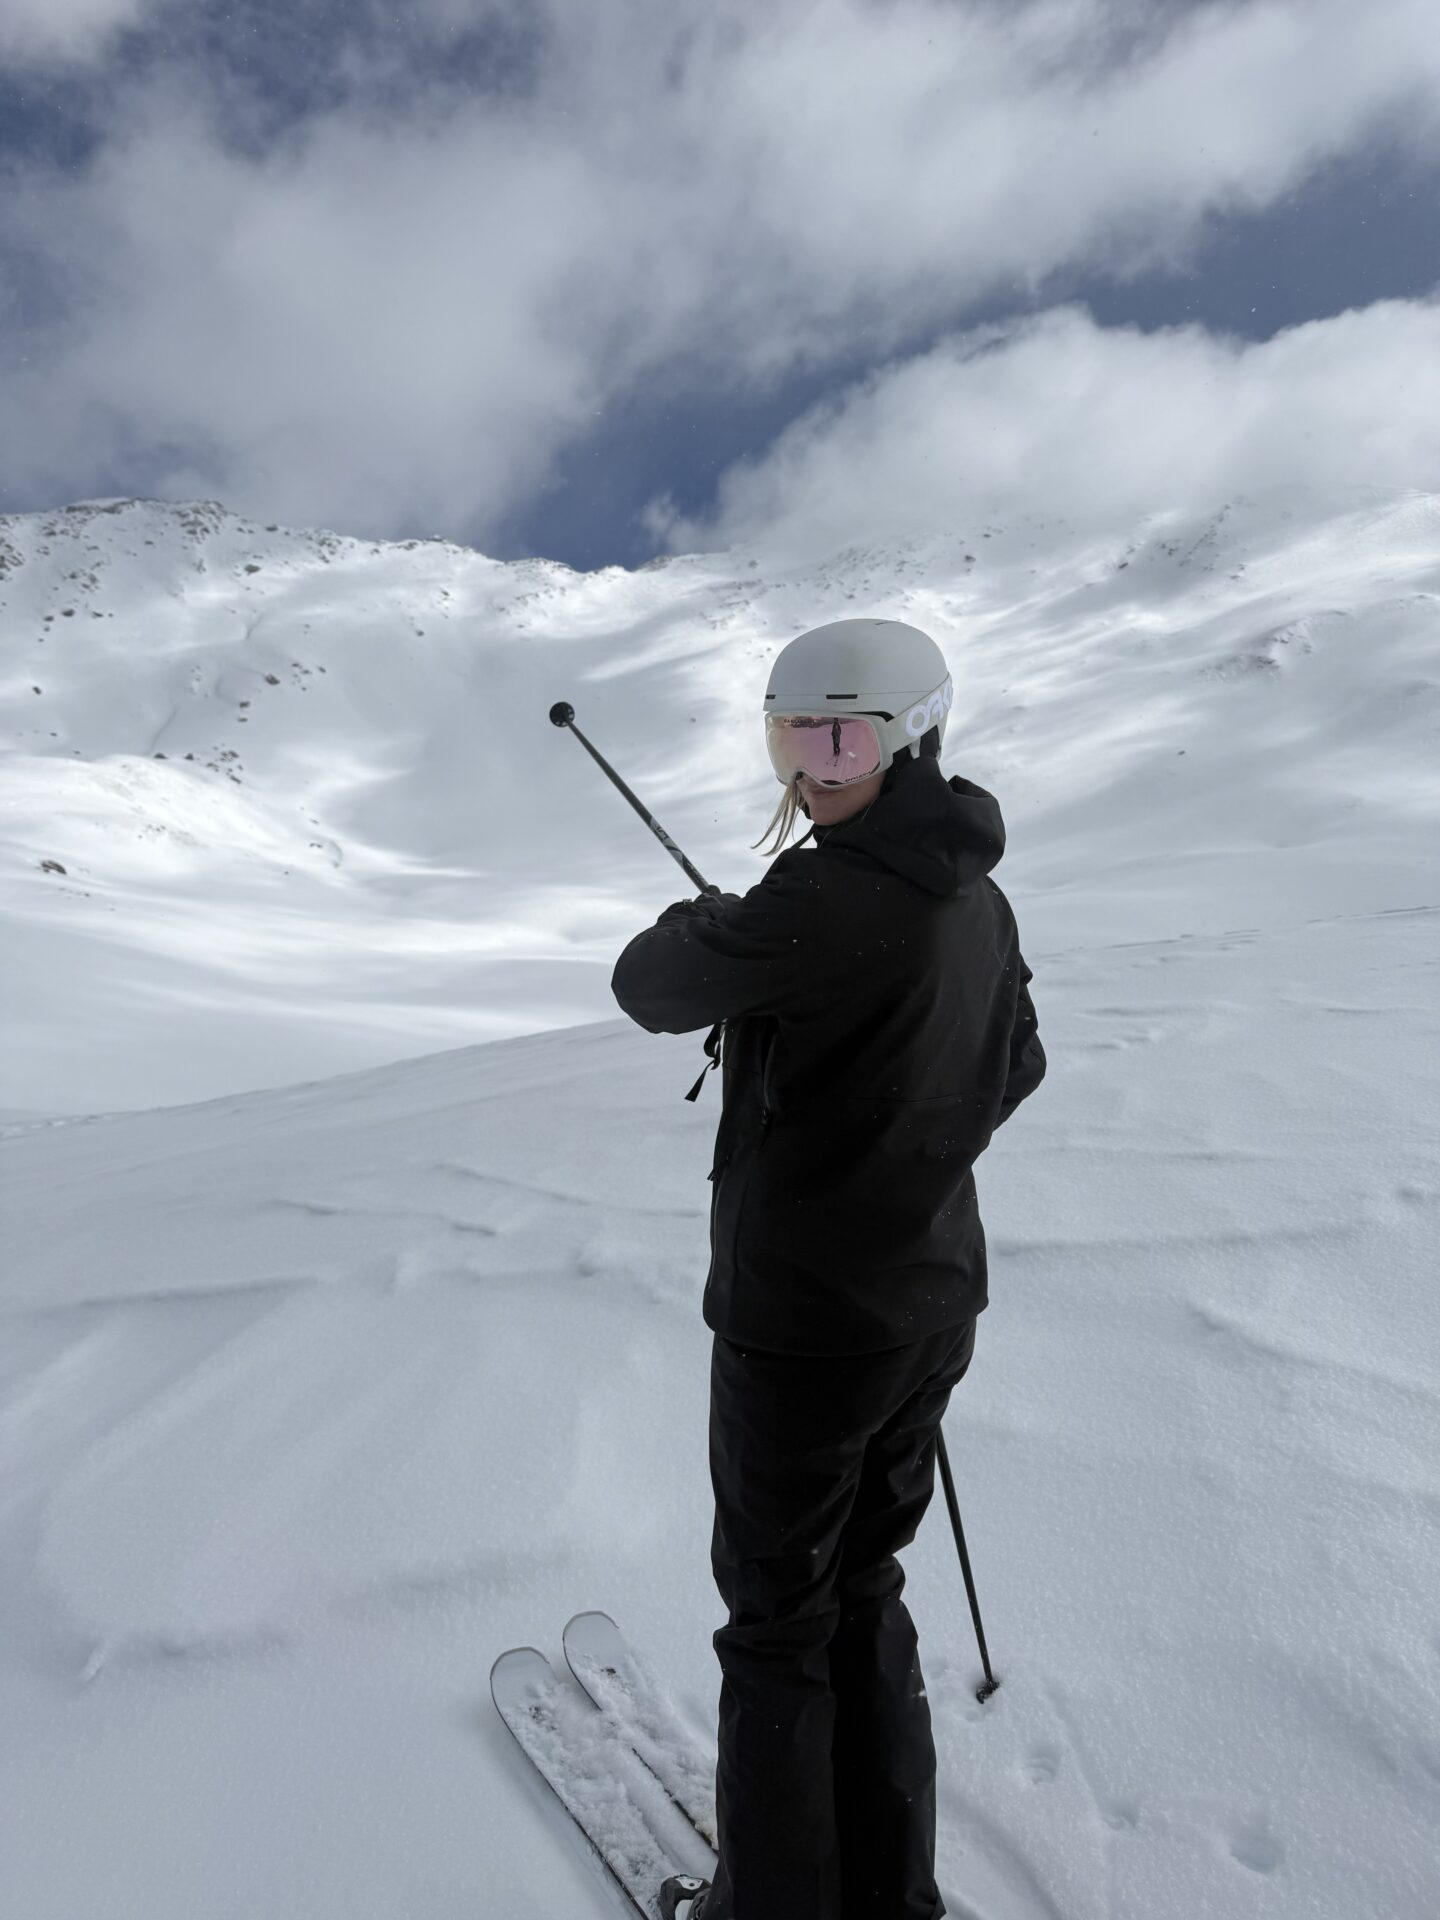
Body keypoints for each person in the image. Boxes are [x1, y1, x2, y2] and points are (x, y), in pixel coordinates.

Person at [610, 617, 1046, 1920]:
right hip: (929, 1305)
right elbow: (1011, 1063)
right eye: (789, 734)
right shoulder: (974, 885)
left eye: (842, 735)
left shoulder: (819, 898)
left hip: (804, 1330)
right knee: (862, 1590)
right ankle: (887, 1896)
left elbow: (650, 982)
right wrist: (901, 1161)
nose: (812, 766)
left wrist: (717, 920)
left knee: (777, 1631)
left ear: (913, 737)